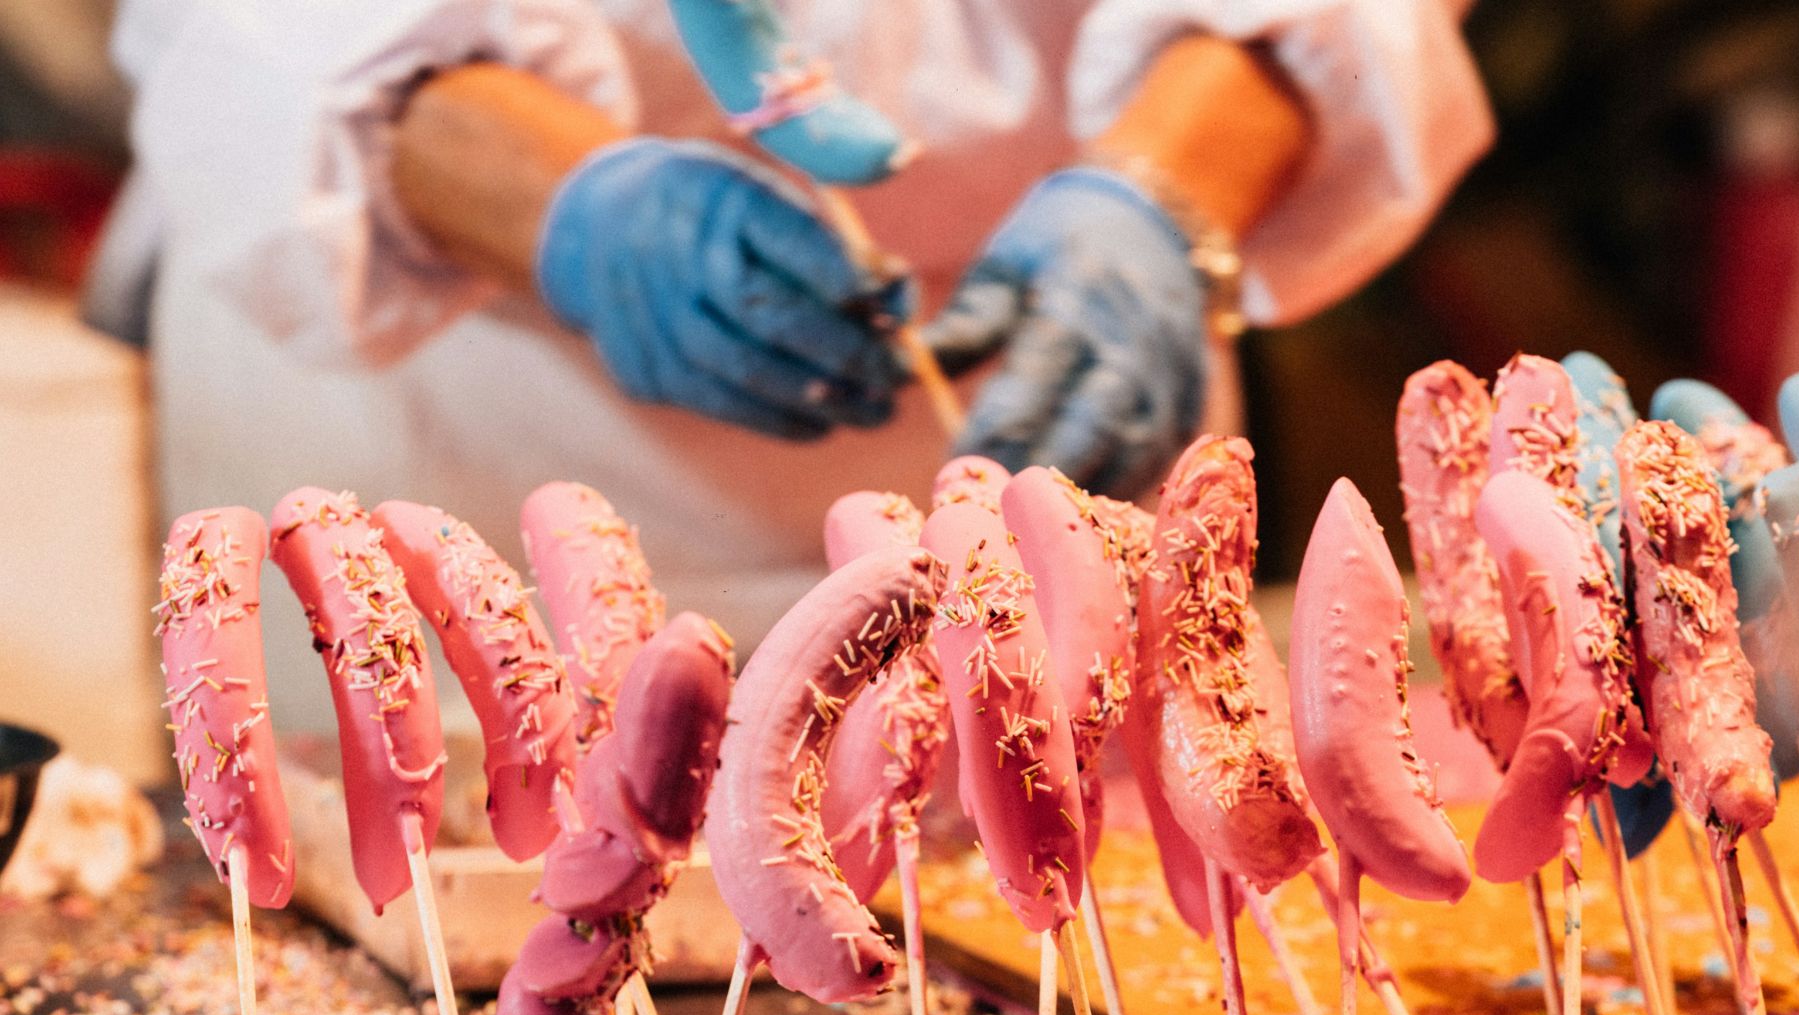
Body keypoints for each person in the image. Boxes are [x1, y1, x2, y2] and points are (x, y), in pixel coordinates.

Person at [94, 0, 1491, 725]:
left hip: (1050, 401)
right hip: (459, 405)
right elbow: (246, 27)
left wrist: (1157, 194)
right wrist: (580, 217)